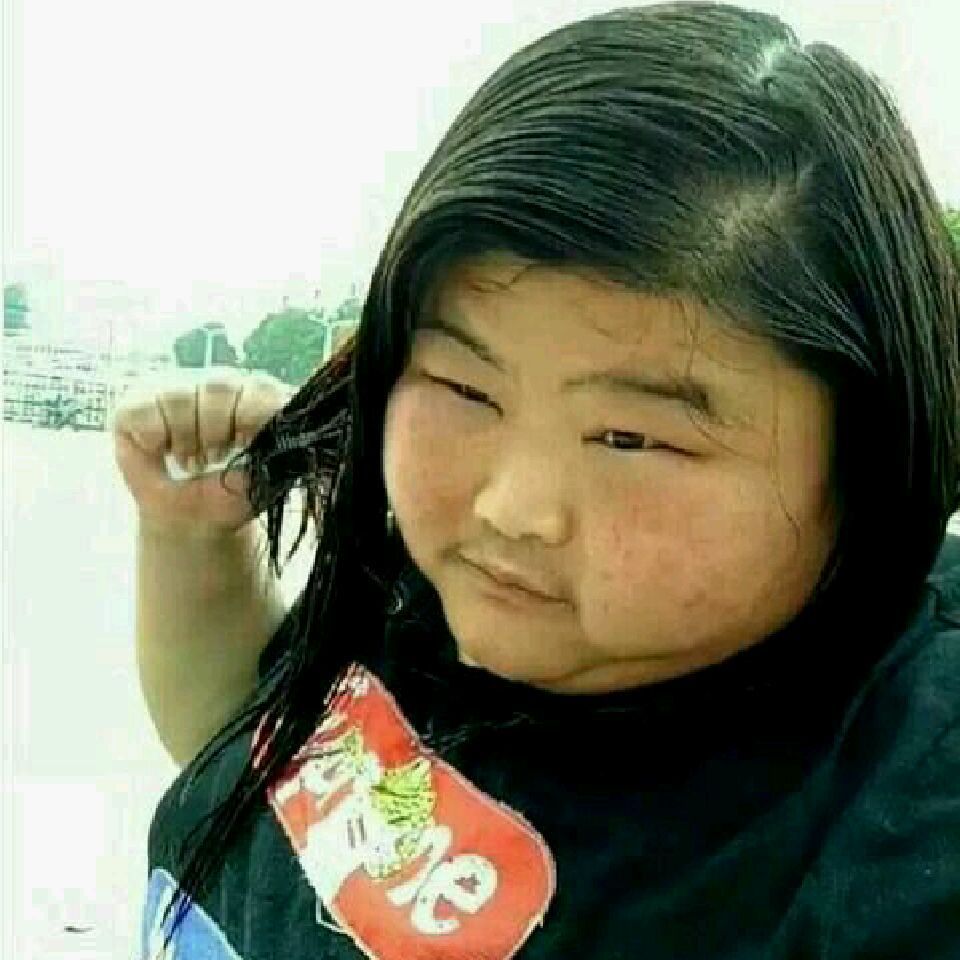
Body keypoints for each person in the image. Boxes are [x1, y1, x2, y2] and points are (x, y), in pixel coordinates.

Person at [112, 4, 960, 958]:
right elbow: (253, 757)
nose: (511, 508)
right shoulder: (430, 592)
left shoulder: (902, 823)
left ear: (867, 454)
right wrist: (190, 538)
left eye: (630, 439)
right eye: (465, 387)